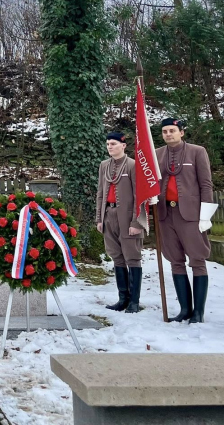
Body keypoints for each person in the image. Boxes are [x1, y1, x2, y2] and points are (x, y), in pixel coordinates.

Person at [155, 118, 217, 323]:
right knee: (175, 260)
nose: (168, 134)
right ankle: (184, 309)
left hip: (191, 214)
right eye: (165, 131)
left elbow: (206, 184)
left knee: (197, 260)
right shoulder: (157, 154)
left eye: (172, 130)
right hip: (166, 213)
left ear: (181, 132)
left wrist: (205, 214)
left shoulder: (197, 152)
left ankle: (198, 312)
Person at [95, 132, 146, 313]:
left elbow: (139, 196)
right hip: (109, 215)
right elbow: (100, 193)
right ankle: (123, 299)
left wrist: (136, 222)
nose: (110, 146)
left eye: (114, 143)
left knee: (132, 257)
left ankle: (134, 301)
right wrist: (99, 218)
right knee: (116, 256)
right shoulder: (104, 165)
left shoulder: (133, 165)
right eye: (108, 144)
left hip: (127, 217)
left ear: (123, 146)